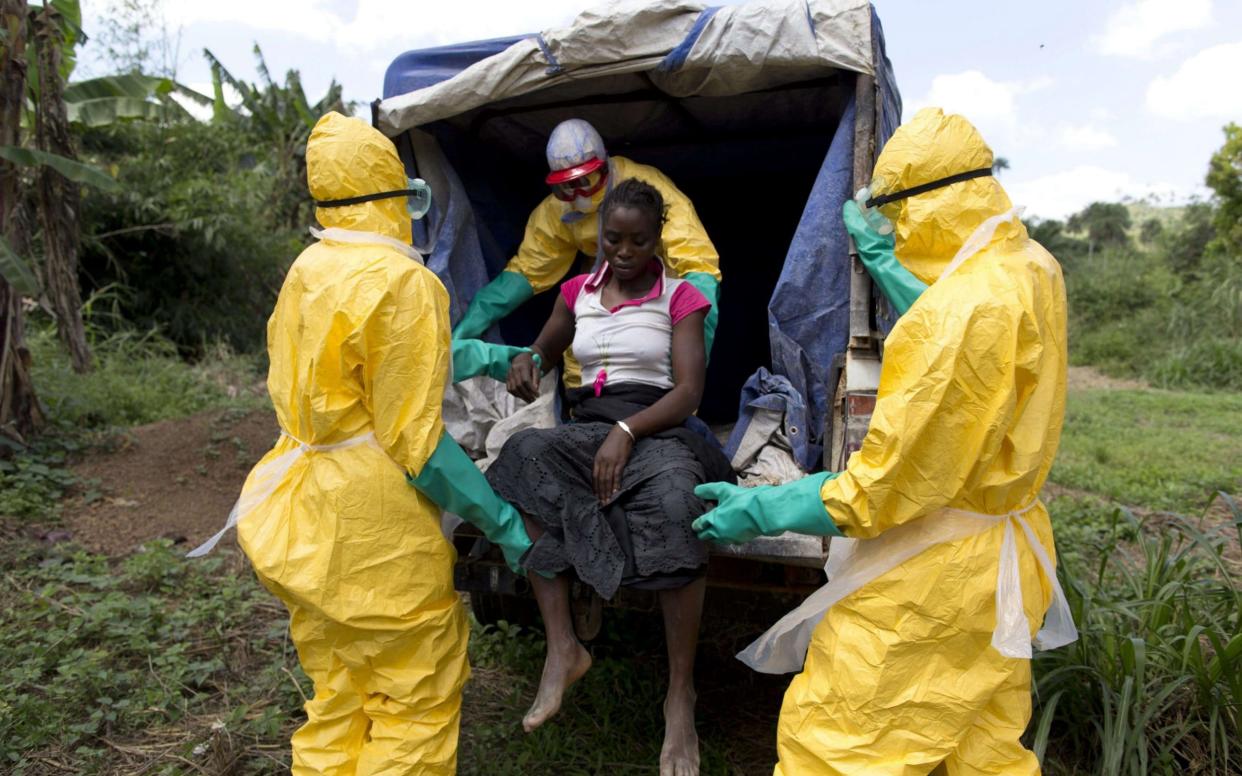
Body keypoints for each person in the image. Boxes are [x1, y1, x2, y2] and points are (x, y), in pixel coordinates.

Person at [692, 108, 1075, 775]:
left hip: (929, 584)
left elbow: (877, 494)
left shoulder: (957, 317)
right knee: (983, 752)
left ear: (923, 206)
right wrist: (878, 259)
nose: (893, 233)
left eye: (894, 218)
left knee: (837, 749)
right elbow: (959, 320)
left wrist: (762, 506)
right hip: (1004, 562)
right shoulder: (1030, 268)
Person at [187, 111, 533, 775]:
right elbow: (418, 444)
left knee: (339, 695)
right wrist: (504, 523)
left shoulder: (310, 268)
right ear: (389, 194)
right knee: (413, 700)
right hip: (375, 536)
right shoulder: (407, 282)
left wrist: (484, 357)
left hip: (300, 508)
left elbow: (357, 365)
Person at [484, 178, 733, 776]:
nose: (622, 252)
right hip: (589, 428)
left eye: (637, 240)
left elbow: (690, 394)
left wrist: (627, 434)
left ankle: (679, 695)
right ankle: (562, 646)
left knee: (680, 506)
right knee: (520, 457)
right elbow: (541, 352)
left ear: (657, 239)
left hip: (659, 429)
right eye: (612, 239)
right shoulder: (576, 293)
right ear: (599, 235)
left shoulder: (682, 299)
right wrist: (527, 361)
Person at [451, 119, 723, 374]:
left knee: (659, 358)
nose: (576, 195)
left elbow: (696, 262)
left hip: (662, 291)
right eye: (566, 187)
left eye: (584, 182)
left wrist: (693, 350)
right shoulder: (559, 215)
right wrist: (463, 333)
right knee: (580, 353)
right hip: (604, 299)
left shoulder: (652, 192)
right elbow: (529, 270)